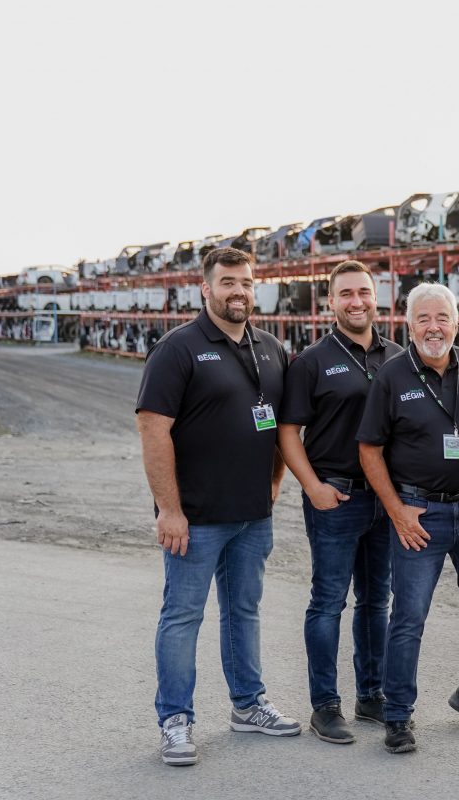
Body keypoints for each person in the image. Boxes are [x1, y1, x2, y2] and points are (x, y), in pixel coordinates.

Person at [136, 247, 300, 767]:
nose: (238, 292)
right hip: (197, 518)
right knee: (182, 616)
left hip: (253, 516)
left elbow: (280, 427)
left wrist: (274, 484)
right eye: (227, 282)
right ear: (205, 288)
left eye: (247, 283)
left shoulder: (271, 348)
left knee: (243, 612)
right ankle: (175, 721)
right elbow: (152, 428)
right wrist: (170, 509)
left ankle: (248, 705)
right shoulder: (178, 349)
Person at [356, 282, 459, 755]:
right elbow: (369, 448)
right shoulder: (393, 375)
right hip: (420, 514)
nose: (433, 327)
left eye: (442, 317)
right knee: (409, 617)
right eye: (423, 319)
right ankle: (397, 716)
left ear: (456, 322)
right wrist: (396, 509)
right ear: (408, 324)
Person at [277, 261, 403, 744]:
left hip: (385, 498)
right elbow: (288, 434)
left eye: (364, 293)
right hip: (336, 494)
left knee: (377, 601)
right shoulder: (312, 360)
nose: (356, 302)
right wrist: (312, 487)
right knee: (328, 601)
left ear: (377, 298)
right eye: (346, 294)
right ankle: (324, 705)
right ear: (331, 302)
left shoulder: (397, 357)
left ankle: (371, 694)